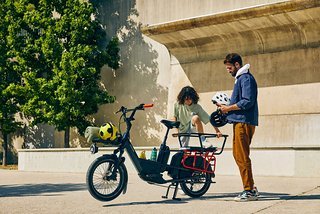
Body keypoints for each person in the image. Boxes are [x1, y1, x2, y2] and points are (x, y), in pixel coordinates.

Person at [217, 53, 259, 201]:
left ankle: (249, 191)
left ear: (236, 65)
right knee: (238, 154)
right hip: (240, 121)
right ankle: (251, 187)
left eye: (229, 67)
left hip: (244, 122)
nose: (228, 70)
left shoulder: (245, 78)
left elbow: (247, 101)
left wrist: (228, 108)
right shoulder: (241, 79)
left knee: (242, 155)